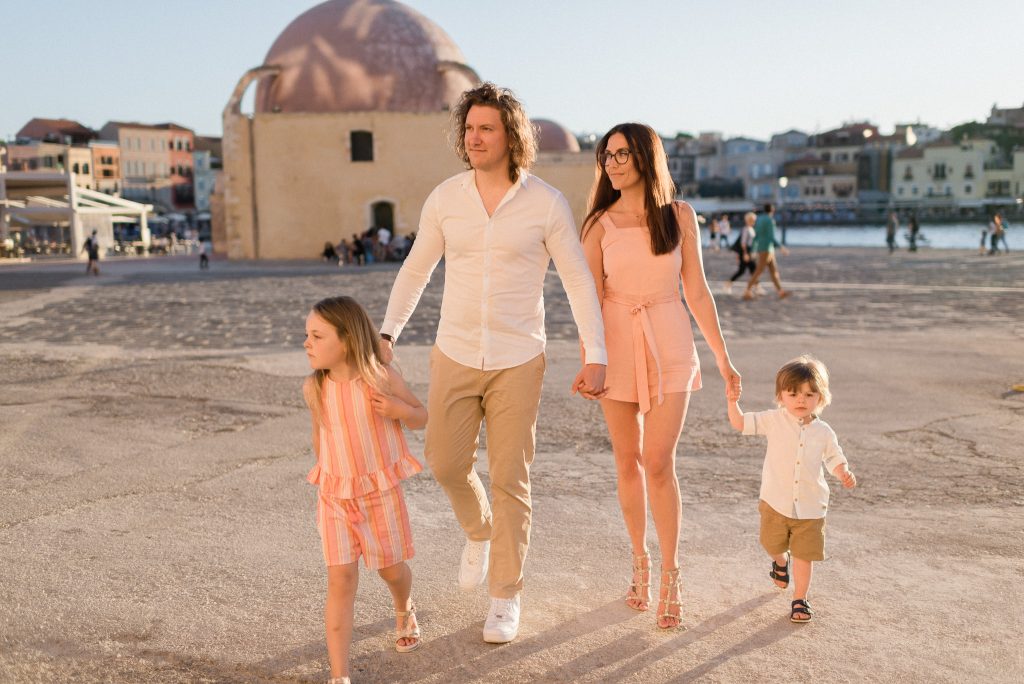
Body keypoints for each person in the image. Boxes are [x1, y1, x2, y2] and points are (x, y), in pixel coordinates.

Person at [379, 82, 607, 644]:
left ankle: (505, 595)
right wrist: (387, 334)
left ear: (512, 136)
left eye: (486, 128)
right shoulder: (446, 198)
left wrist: (596, 354)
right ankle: (479, 531)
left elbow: (578, 281)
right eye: (469, 128)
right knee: (444, 462)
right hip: (454, 350)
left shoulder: (545, 203)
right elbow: (416, 270)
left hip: (518, 357)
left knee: (510, 478)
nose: (474, 138)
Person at [579, 123, 741, 629]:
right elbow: (587, 301)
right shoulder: (598, 224)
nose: (612, 163)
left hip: (670, 341)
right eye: (607, 155)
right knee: (627, 460)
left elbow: (698, 292)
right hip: (616, 345)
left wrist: (723, 358)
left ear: (647, 158)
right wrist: (590, 358)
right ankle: (640, 561)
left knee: (658, 462)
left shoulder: (680, 216)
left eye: (622, 154)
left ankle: (672, 572)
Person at [302, 296, 428, 683]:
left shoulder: (380, 378)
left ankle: (404, 606)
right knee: (340, 580)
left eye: (317, 336)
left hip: (379, 495)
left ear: (347, 339)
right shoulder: (314, 387)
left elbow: (421, 416)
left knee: (391, 570)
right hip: (335, 498)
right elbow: (321, 440)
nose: (307, 343)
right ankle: (339, 675)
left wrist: (400, 411)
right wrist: (332, 476)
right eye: (307, 335)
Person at [726, 355, 856, 623]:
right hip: (775, 501)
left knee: (804, 555)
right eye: (793, 393)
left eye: (809, 394)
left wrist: (842, 471)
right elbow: (740, 423)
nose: (801, 400)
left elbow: (834, 457)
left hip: (811, 506)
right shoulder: (773, 420)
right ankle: (780, 562)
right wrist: (732, 401)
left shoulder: (824, 432)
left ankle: (800, 599)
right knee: (771, 544)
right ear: (781, 396)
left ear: (821, 397)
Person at [742, 204, 790, 300]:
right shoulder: (770, 220)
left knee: (773, 271)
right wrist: (781, 247)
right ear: (772, 211)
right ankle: (747, 290)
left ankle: (780, 291)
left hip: (762, 248)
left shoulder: (759, 220)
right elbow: (771, 237)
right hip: (767, 249)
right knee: (759, 271)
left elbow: (756, 237)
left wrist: (753, 249)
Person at [726, 211, 757, 292]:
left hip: (749, 251)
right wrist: (745, 254)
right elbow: (743, 243)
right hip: (745, 252)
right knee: (742, 271)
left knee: (753, 269)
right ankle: (728, 284)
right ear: (748, 220)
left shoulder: (751, 229)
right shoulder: (746, 229)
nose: (754, 221)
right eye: (753, 220)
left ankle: (757, 287)